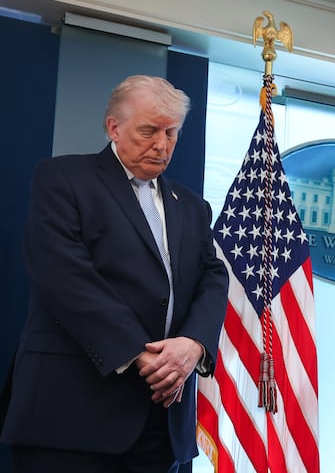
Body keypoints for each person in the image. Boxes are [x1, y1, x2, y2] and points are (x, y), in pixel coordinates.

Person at [0, 75, 229, 472]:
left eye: (172, 132)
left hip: (162, 426)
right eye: (149, 130)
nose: (162, 144)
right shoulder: (63, 179)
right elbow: (64, 275)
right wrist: (141, 354)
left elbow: (213, 278)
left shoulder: (192, 206)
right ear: (114, 127)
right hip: (70, 418)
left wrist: (193, 345)